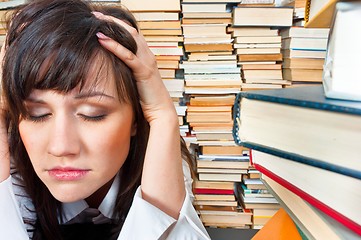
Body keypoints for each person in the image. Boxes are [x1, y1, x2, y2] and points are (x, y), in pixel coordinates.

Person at [0, 0, 211, 239]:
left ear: (136, 118)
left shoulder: (158, 158)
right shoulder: (14, 159)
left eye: (93, 114)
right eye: (37, 114)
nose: (61, 147)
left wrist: (163, 116)